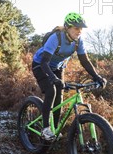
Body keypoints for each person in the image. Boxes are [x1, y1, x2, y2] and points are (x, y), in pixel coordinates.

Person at [32, 12, 107, 141]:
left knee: (59, 97)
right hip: (41, 65)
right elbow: (44, 62)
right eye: (76, 28)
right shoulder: (56, 38)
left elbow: (85, 61)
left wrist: (97, 76)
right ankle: (45, 129)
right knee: (51, 91)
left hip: (57, 68)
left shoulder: (78, 42)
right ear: (68, 27)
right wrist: (53, 78)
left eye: (81, 29)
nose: (79, 31)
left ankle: (54, 130)